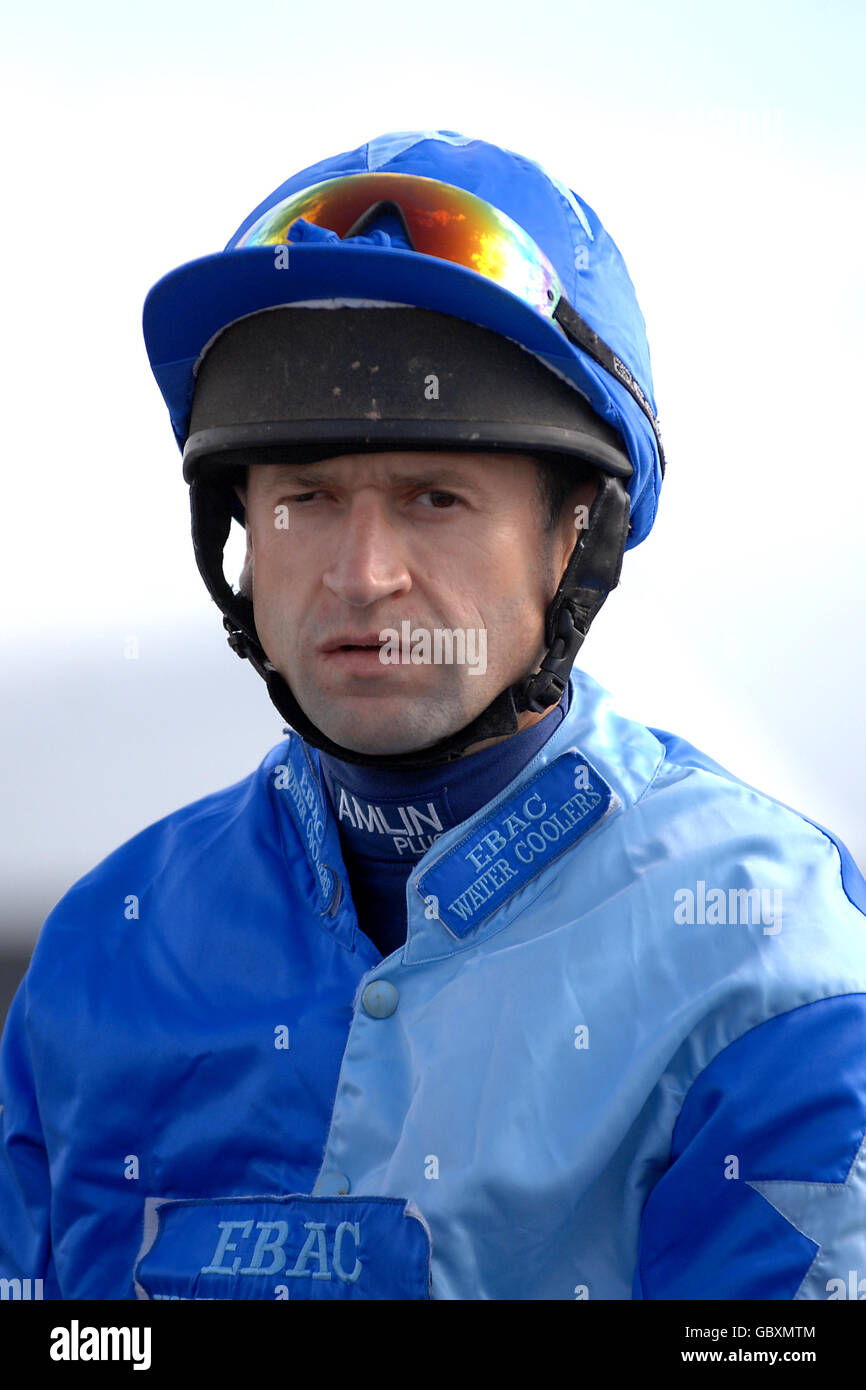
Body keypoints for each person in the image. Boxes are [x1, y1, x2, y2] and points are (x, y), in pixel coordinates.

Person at [1, 129, 865, 1303]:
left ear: (577, 534)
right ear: (238, 537)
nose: (363, 575)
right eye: (304, 499)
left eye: (434, 497)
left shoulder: (773, 958)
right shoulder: (101, 946)